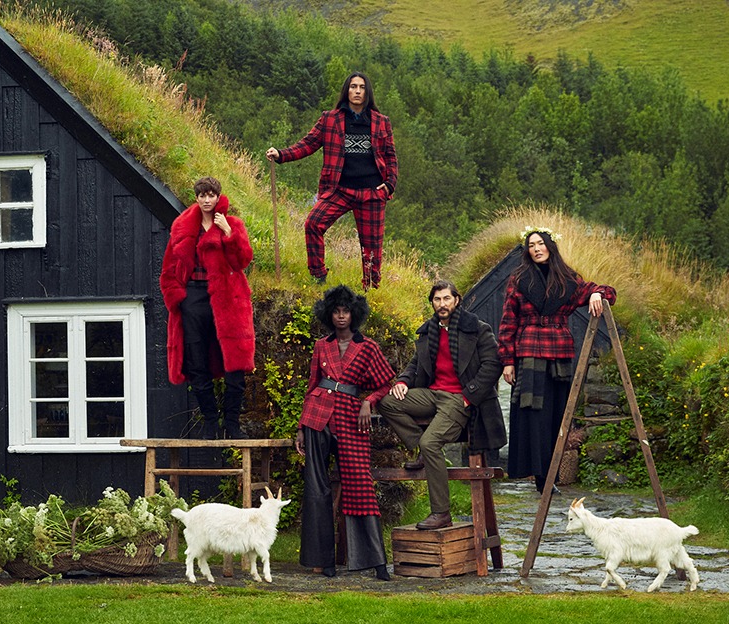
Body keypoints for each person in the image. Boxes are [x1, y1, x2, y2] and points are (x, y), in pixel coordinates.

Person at [376, 280, 505, 530]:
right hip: (432, 394)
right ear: (432, 303)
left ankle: (441, 513)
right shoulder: (429, 332)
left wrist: (469, 395)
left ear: (457, 300)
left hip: (460, 397)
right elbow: (416, 364)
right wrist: (402, 381)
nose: (442, 304)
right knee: (388, 400)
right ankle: (422, 451)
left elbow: (493, 365)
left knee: (430, 443)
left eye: (446, 298)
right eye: (437, 299)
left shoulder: (478, 329)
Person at [499, 226, 615, 493]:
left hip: (559, 356)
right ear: (527, 251)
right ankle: (540, 477)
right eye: (531, 245)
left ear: (550, 246)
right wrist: (507, 360)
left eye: (540, 243)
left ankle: (549, 476)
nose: (536, 249)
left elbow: (608, 291)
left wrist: (596, 294)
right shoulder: (518, 280)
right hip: (529, 354)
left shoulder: (567, 278)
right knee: (533, 417)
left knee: (556, 417)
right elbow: (507, 322)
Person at [296, 285, 396, 580]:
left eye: (346, 311)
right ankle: (323, 561)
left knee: (360, 485)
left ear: (355, 314)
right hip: (317, 416)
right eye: (336, 311)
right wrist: (301, 428)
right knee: (317, 487)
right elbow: (312, 385)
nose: (341, 316)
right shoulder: (321, 346)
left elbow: (386, 383)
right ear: (329, 314)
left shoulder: (368, 347)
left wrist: (368, 401)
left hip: (351, 418)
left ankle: (376, 562)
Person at [265, 72, 398, 291]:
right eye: (353, 87)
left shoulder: (381, 122)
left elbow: (391, 156)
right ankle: (318, 277)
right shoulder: (330, 119)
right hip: (339, 190)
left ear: (367, 92)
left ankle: (371, 290)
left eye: (362, 87)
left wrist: (390, 184)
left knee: (371, 250)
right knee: (313, 224)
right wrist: (281, 154)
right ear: (347, 91)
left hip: (372, 193)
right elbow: (308, 144)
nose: (357, 91)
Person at [160, 177, 255, 439]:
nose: (206, 200)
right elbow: (168, 269)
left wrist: (228, 234)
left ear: (218, 197)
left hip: (227, 299)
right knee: (197, 362)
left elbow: (242, 261)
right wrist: (178, 298)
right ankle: (211, 422)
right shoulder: (182, 227)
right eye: (202, 195)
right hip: (193, 298)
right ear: (197, 197)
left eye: (211, 195)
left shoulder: (232, 224)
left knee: (235, 365)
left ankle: (232, 425)